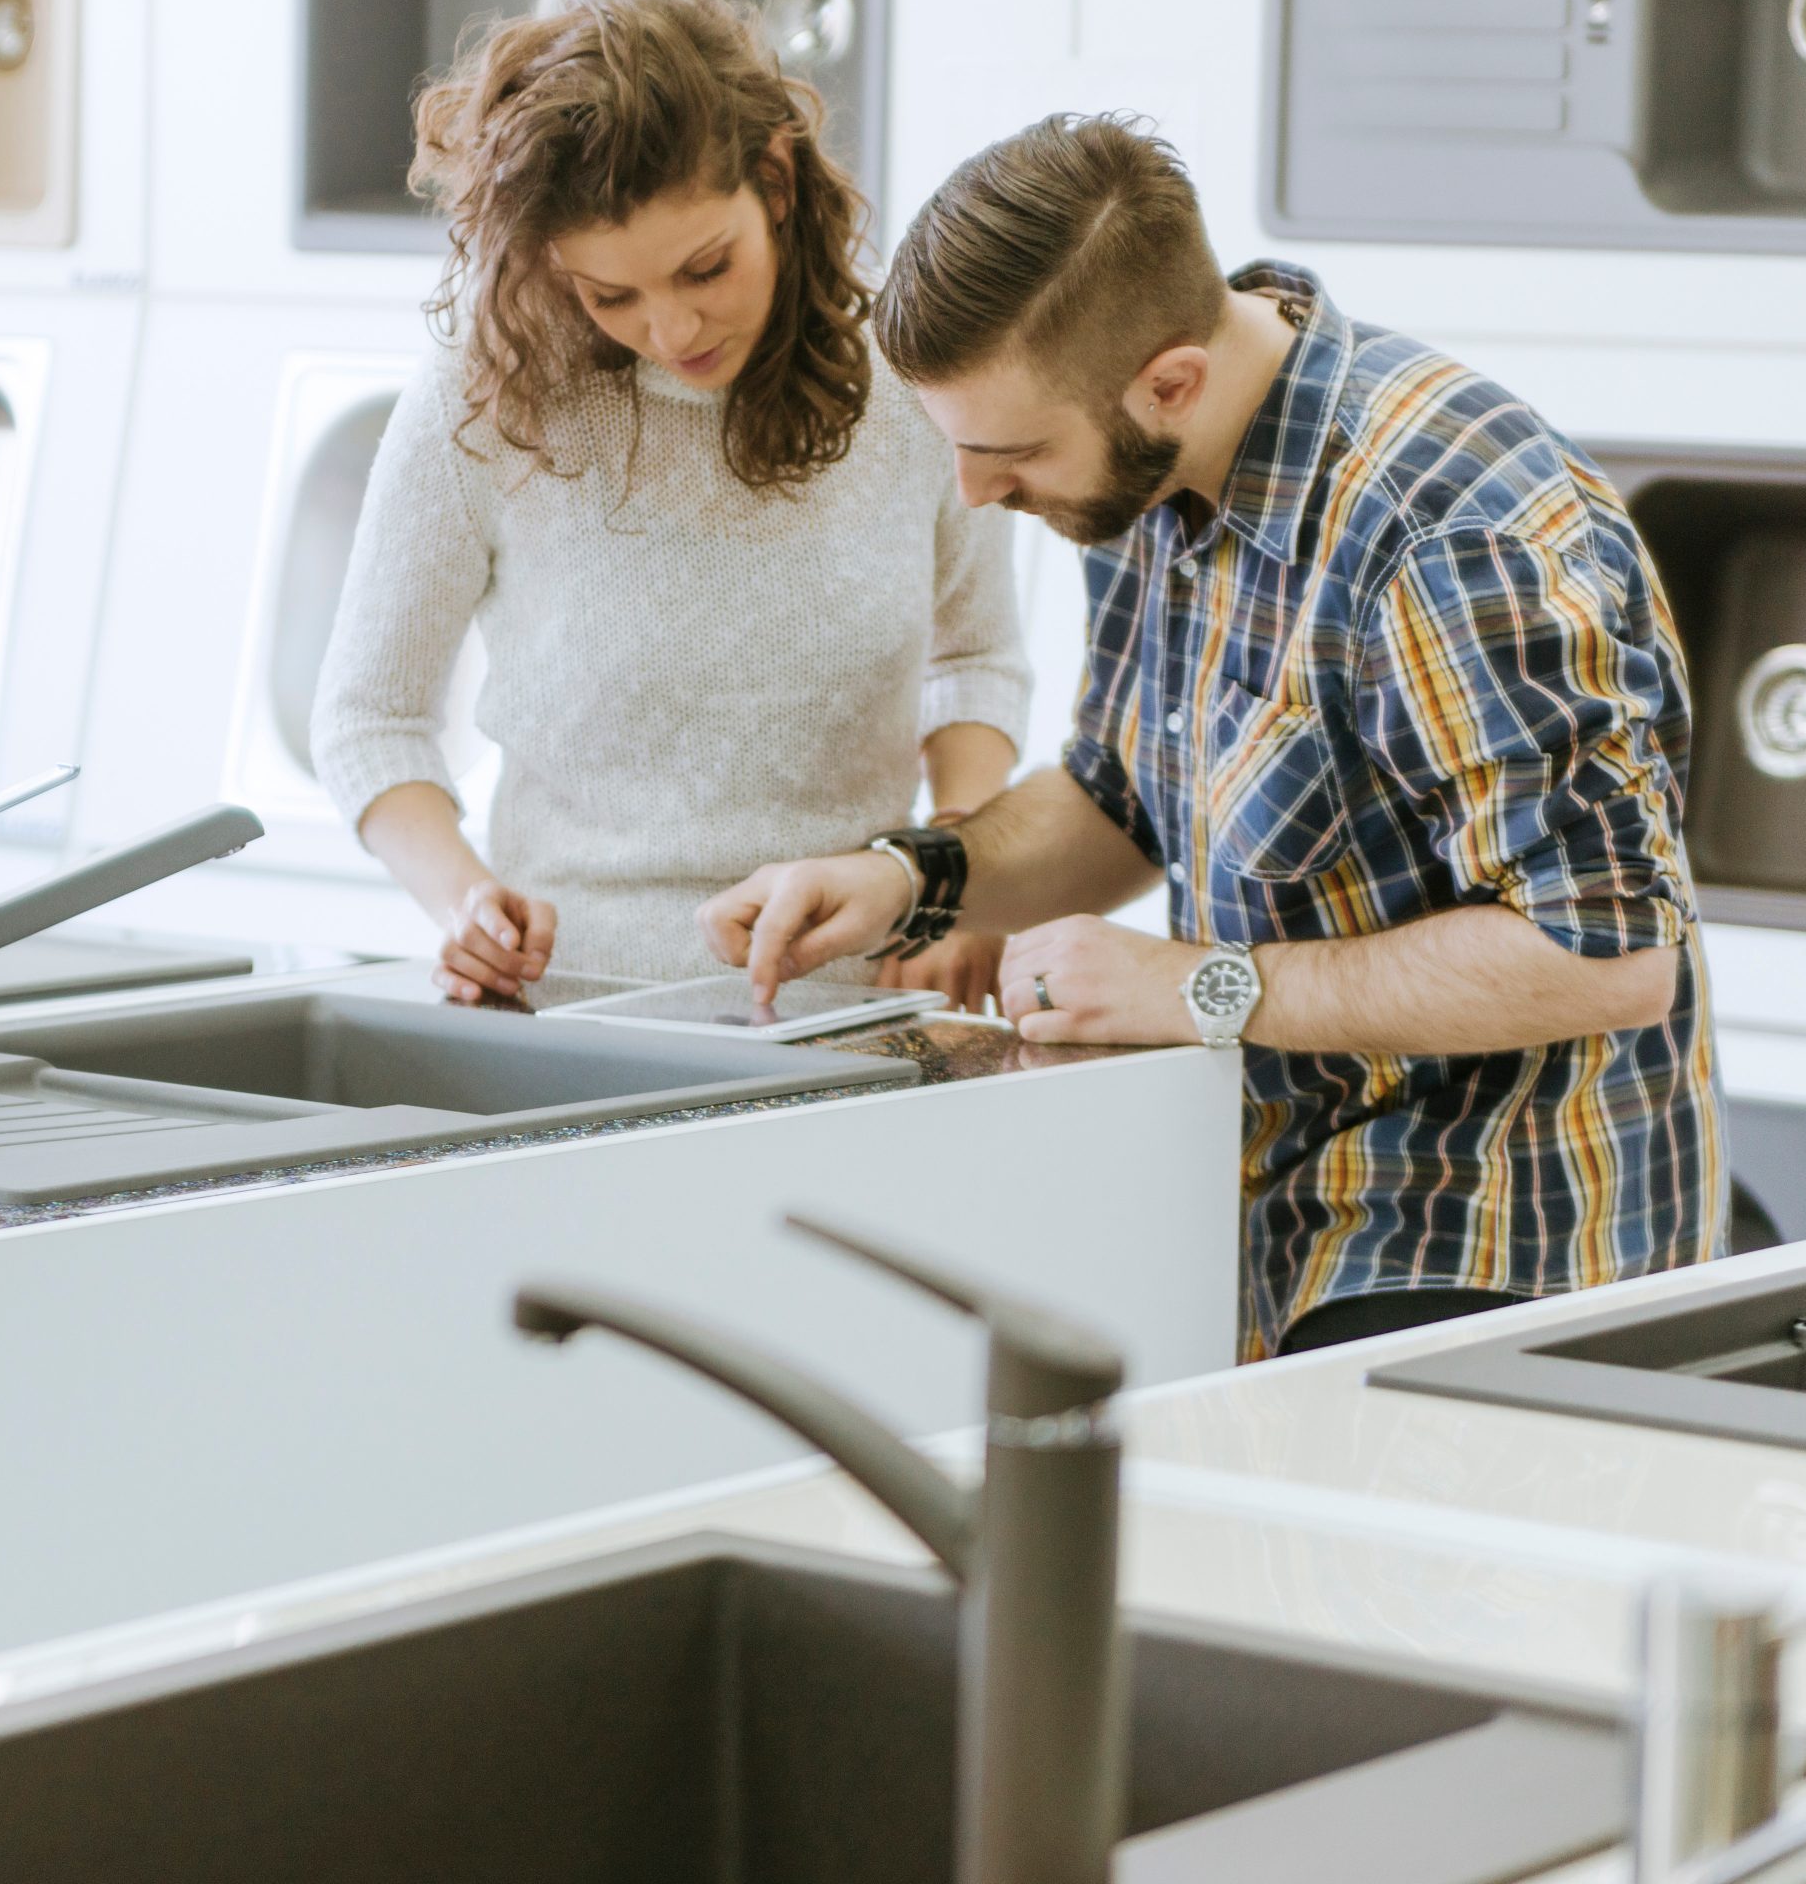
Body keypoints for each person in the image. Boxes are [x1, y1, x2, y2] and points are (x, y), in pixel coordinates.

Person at [699, 113, 1720, 1359]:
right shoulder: (1147, 476)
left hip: (1496, 1237)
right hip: (1261, 1210)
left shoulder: (1450, 537)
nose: (974, 495)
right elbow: (1127, 794)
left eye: (1008, 453)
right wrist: (910, 878)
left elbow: (1605, 954)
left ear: (1170, 380)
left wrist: (1192, 986)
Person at [310, 0, 1028, 1003]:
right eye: (613, 295)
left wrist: (955, 866)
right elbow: (367, 719)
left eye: (706, 268)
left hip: (854, 1018)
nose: (675, 329)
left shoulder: (908, 385)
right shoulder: (485, 400)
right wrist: (464, 900)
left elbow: (977, 659)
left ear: (776, 182)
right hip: (570, 1019)